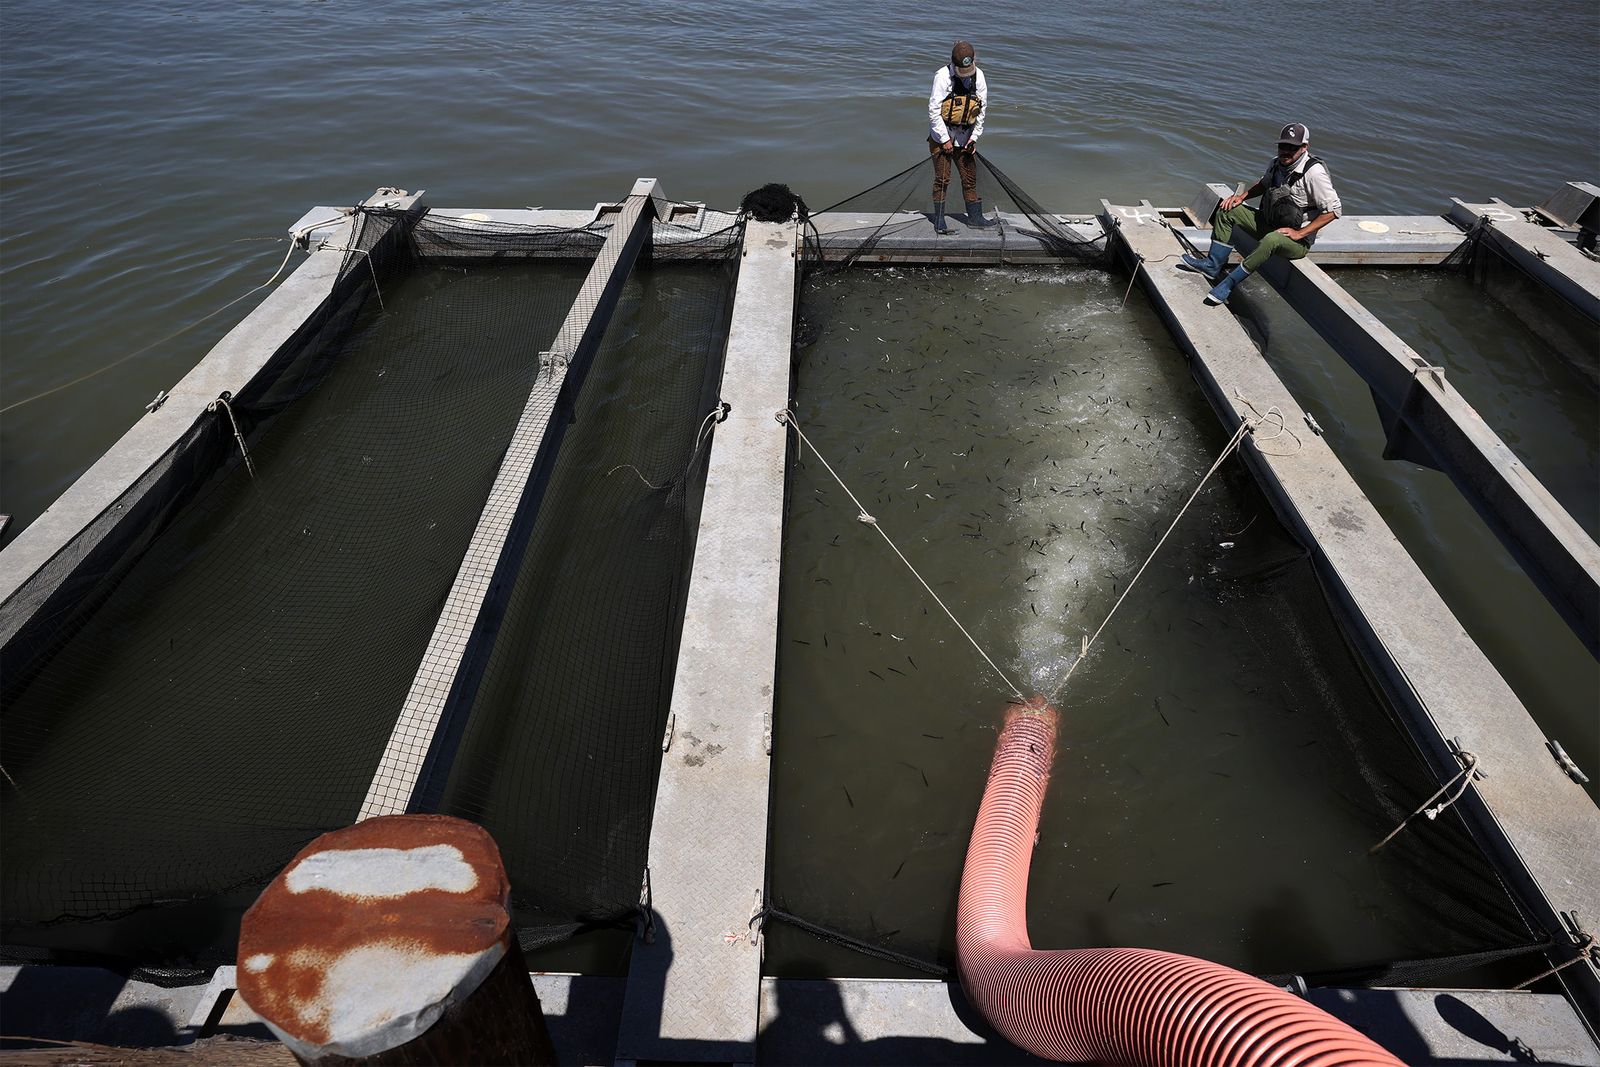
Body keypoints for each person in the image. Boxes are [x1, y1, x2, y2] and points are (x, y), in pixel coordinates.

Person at [1180, 122, 1342, 305]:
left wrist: (1300, 233)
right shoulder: (1276, 163)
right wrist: (1241, 197)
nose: (1286, 151)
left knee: (1271, 240)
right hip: (1269, 224)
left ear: (1304, 147)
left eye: (1292, 147)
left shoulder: (1314, 173)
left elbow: (1334, 211)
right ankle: (1212, 265)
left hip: (1296, 241)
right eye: (1283, 146)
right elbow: (1264, 184)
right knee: (1227, 209)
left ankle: (1229, 284)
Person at [928, 41, 989, 234]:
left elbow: (982, 109)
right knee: (943, 179)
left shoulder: (979, 76)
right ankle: (939, 220)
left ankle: (975, 218)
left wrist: (974, 138)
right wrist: (944, 139)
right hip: (941, 136)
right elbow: (933, 111)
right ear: (953, 63)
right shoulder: (942, 76)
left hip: (965, 137)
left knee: (969, 178)